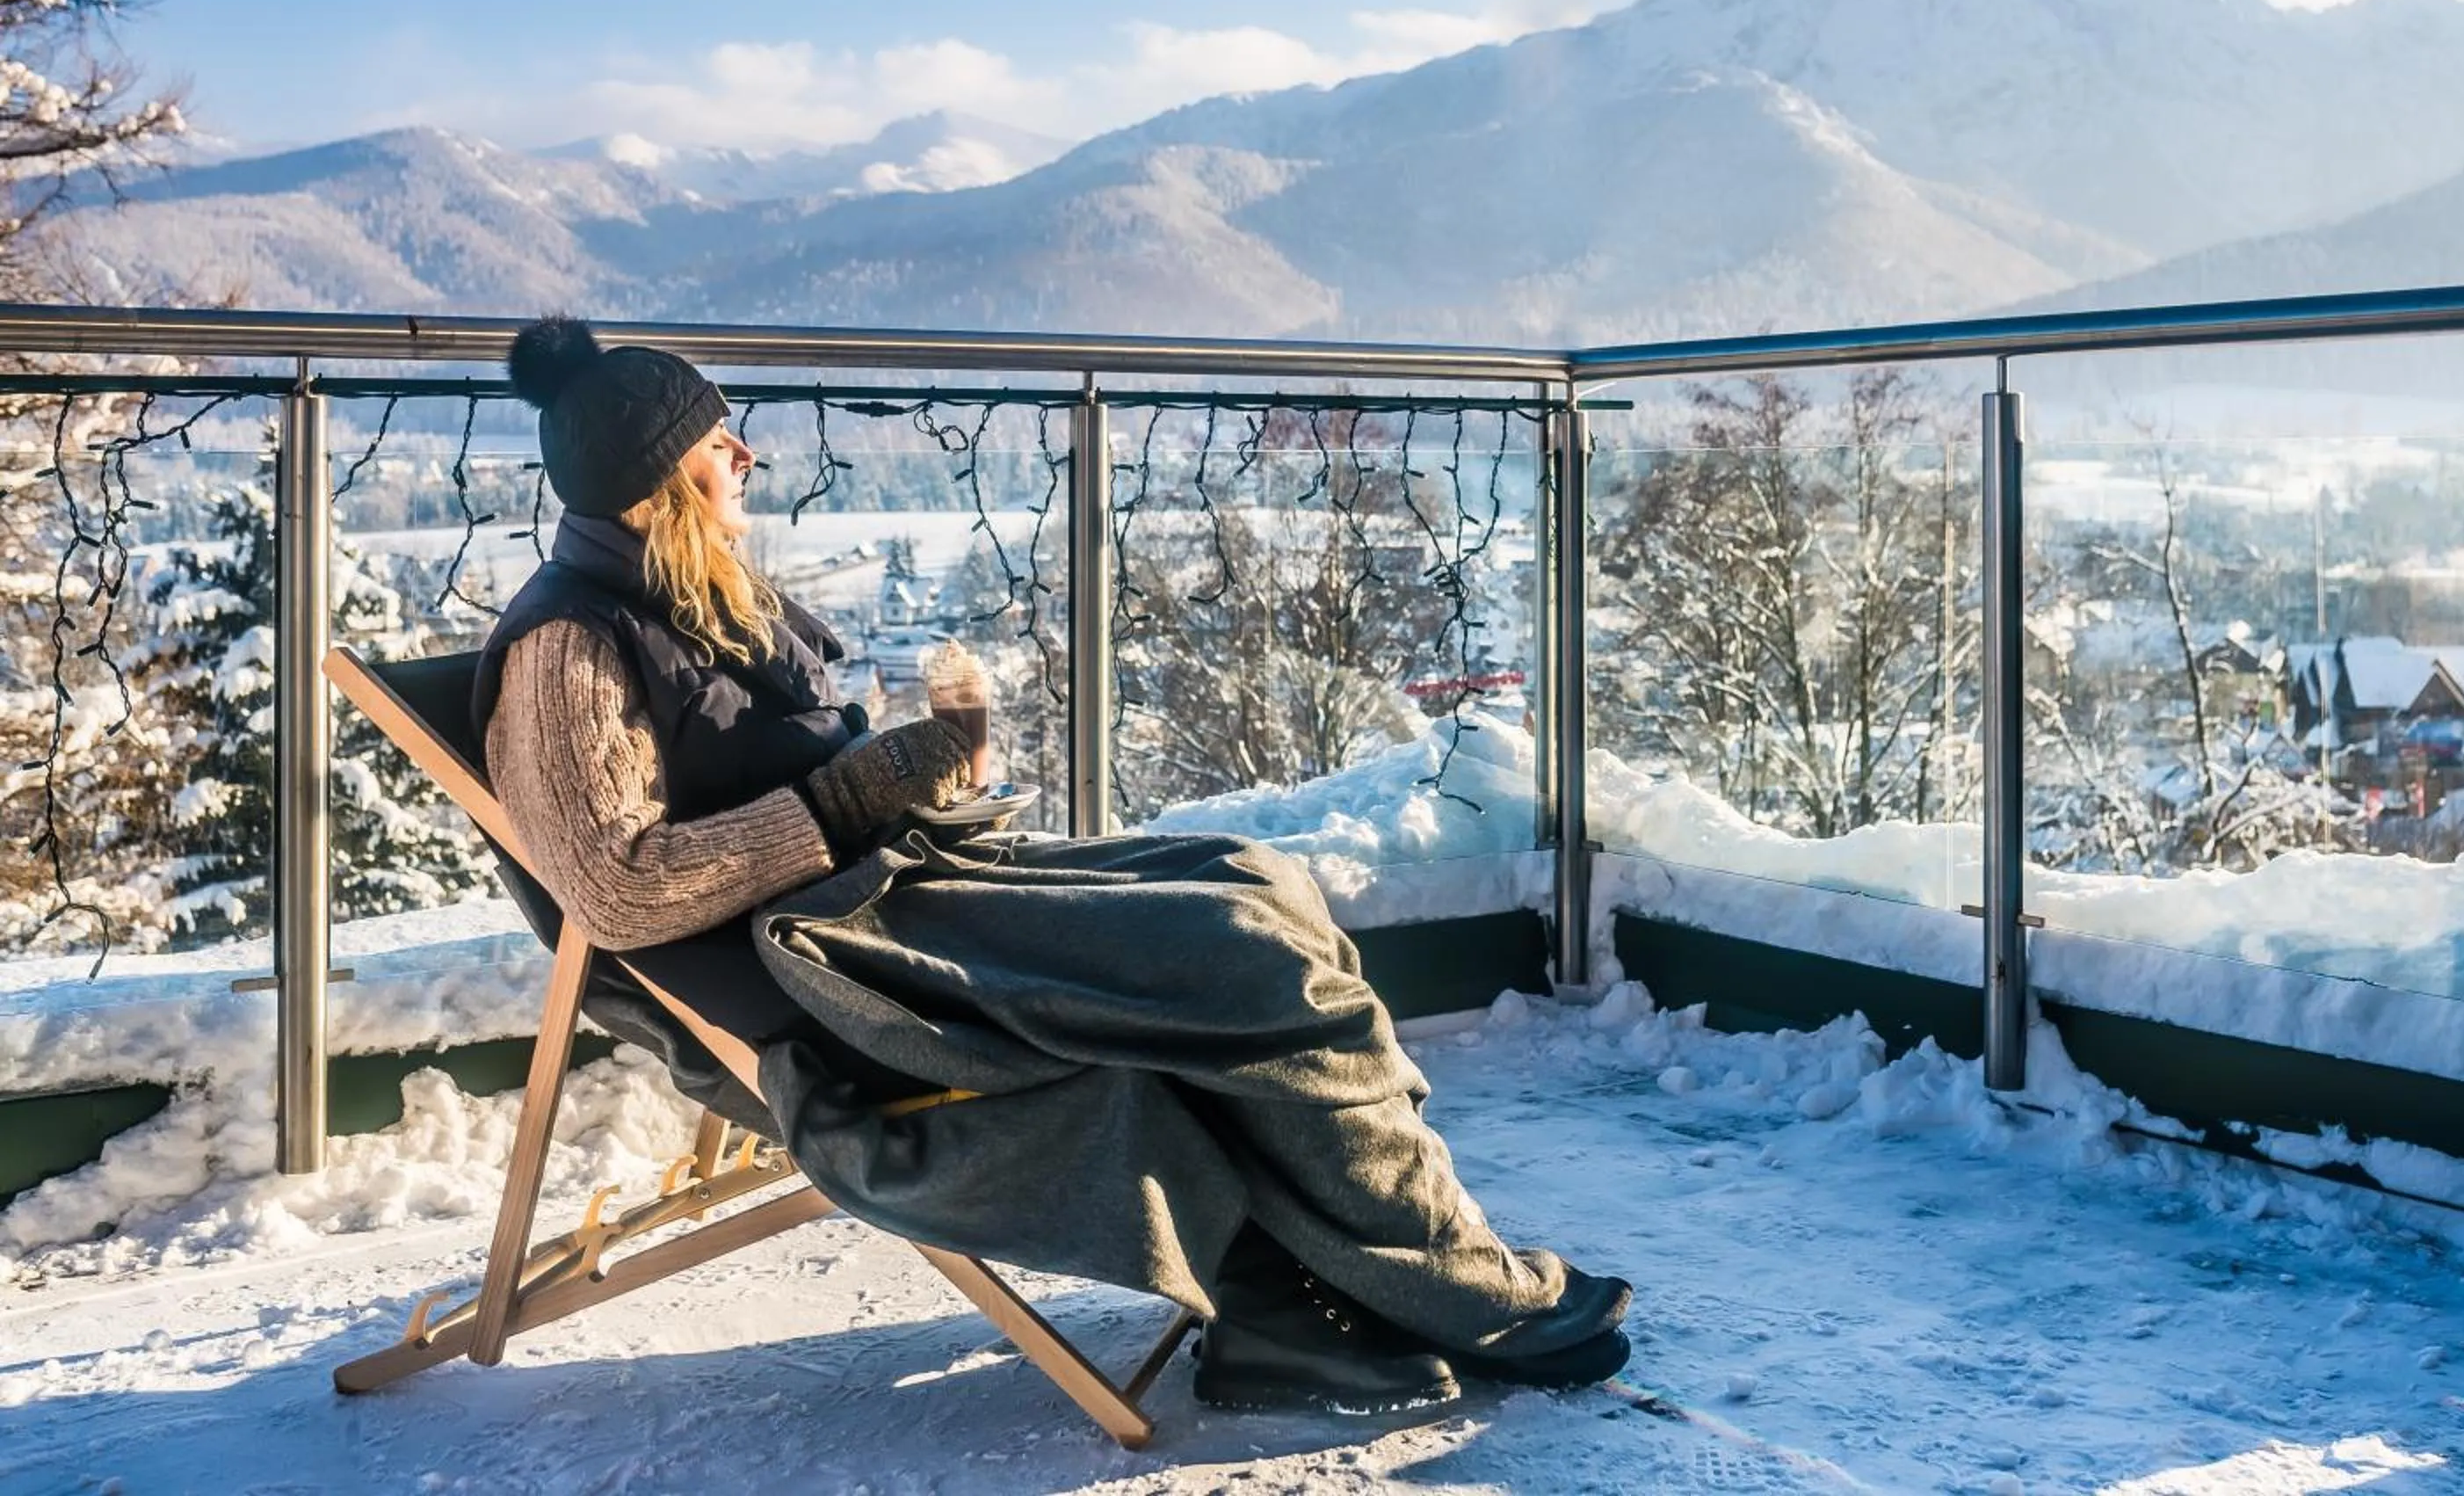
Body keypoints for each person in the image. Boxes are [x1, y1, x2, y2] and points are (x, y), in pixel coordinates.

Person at [475, 317, 1630, 1415]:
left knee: (1256, 882)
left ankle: (1349, 1279)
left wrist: (920, 772)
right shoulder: (567, 645)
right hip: (838, 970)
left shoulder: (691, 598)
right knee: (1248, 960)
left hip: (895, 900)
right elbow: (616, 885)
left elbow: (785, 783)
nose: (747, 456)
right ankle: (1455, 1285)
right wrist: (849, 797)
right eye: (721, 439)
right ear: (660, 473)